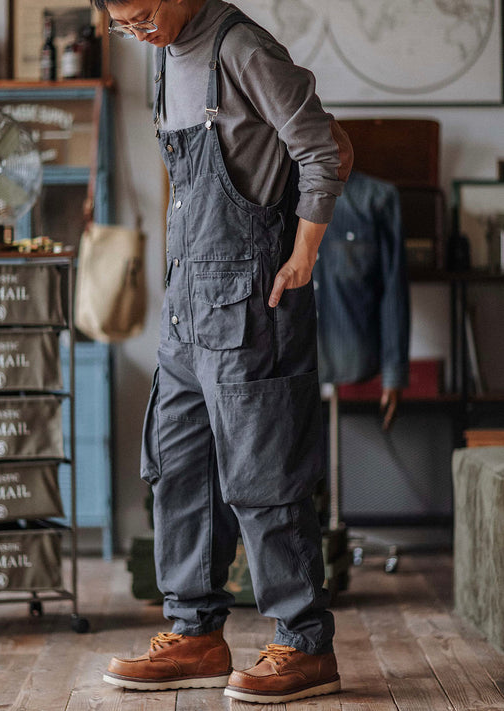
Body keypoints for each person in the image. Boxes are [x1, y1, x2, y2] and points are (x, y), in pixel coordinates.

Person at [93, 0, 353, 703]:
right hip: (186, 306)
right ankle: (196, 635)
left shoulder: (241, 49)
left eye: (143, 15)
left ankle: (305, 644)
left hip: (251, 305)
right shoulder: (163, 55)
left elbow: (324, 147)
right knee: (178, 468)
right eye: (122, 25)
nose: (139, 32)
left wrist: (303, 254)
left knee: (264, 472)